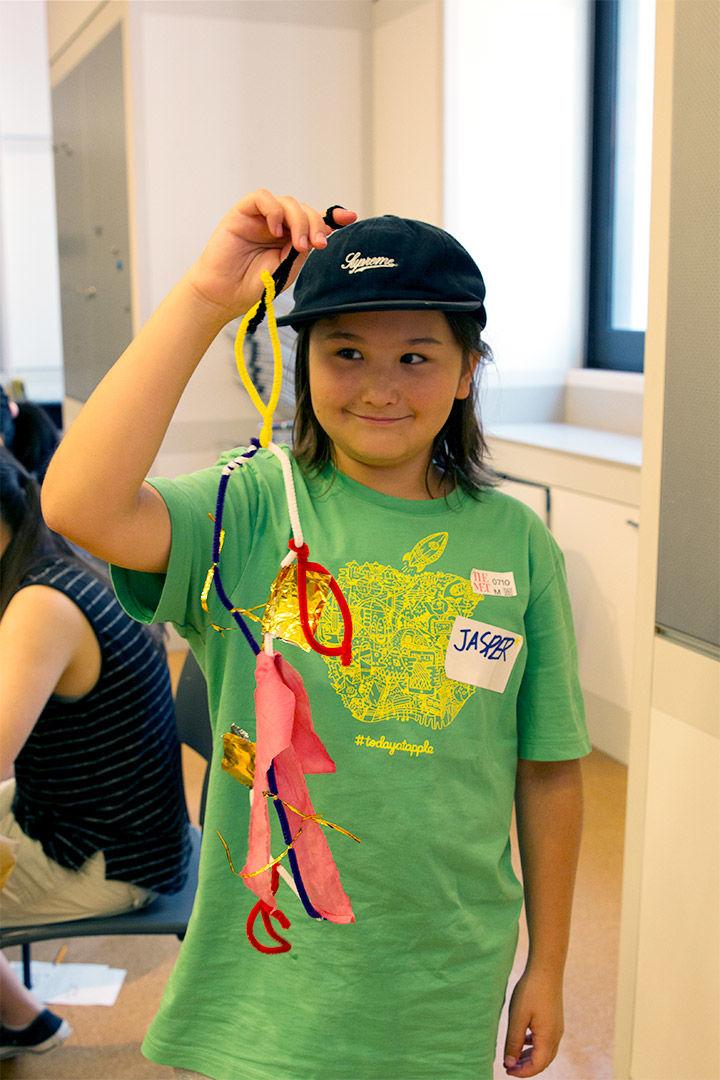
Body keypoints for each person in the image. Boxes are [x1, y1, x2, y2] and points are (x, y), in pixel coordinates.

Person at [42, 191, 590, 1080]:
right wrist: (206, 297)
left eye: (416, 356)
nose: (379, 386)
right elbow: (77, 504)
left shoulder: (518, 543)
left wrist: (551, 967)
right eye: (346, 353)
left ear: (466, 372)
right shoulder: (252, 508)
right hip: (270, 977)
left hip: (443, 969)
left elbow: (549, 770)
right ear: (304, 366)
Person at [0, 448, 192, 1060]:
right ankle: (21, 1019)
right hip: (102, 820)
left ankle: (22, 1021)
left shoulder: (38, 606)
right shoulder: (51, 561)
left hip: (107, 855)